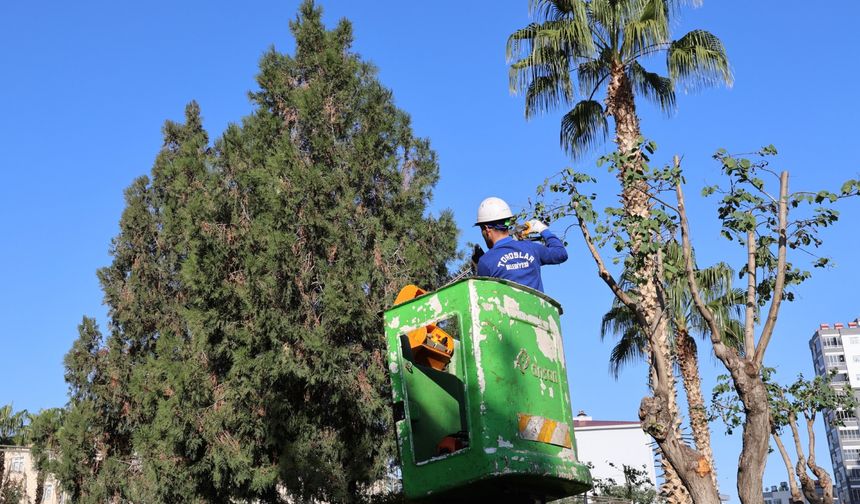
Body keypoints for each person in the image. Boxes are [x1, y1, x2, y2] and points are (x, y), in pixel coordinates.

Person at [473, 197, 567, 293]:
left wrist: (480, 267)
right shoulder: (531, 248)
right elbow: (561, 253)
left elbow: (483, 296)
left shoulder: (486, 261)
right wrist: (543, 229)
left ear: (486, 229)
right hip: (536, 303)